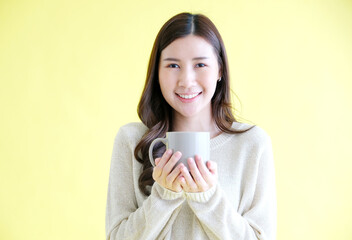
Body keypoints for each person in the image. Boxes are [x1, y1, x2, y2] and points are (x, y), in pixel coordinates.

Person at [106, 12, 276, 240]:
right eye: (173, 65)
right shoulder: (132, 140)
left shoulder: (252, 144)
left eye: (200, 64)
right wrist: (163, 196)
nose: (186, 80)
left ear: (219, 70)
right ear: (157, 72)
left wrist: (209, 199)